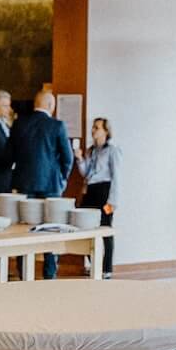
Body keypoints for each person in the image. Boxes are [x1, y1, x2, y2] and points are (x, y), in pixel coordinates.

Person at [10, 88, 75, 278]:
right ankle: (49, 273)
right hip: (51, 186)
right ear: (50, 105)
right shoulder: (57, 125)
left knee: (23, 230)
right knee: (51, 229)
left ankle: (23, 273)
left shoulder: (20, 124)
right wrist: (61, 179)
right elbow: (68, 158)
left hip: (24, 183)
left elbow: (11, 153)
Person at [75, 116, 121, 276]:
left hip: (104, 191)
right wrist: (80, 159)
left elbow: (117, 177)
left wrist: (113, 200)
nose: (93, 130)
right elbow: (86, 173)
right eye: (93, 127)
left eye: (97, 128)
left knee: (105, 228)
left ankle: (107, 269)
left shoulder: (112, 150)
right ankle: (96, 265)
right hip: (91, 191)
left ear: (106, 131)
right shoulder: (91, 150)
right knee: (86, 228)